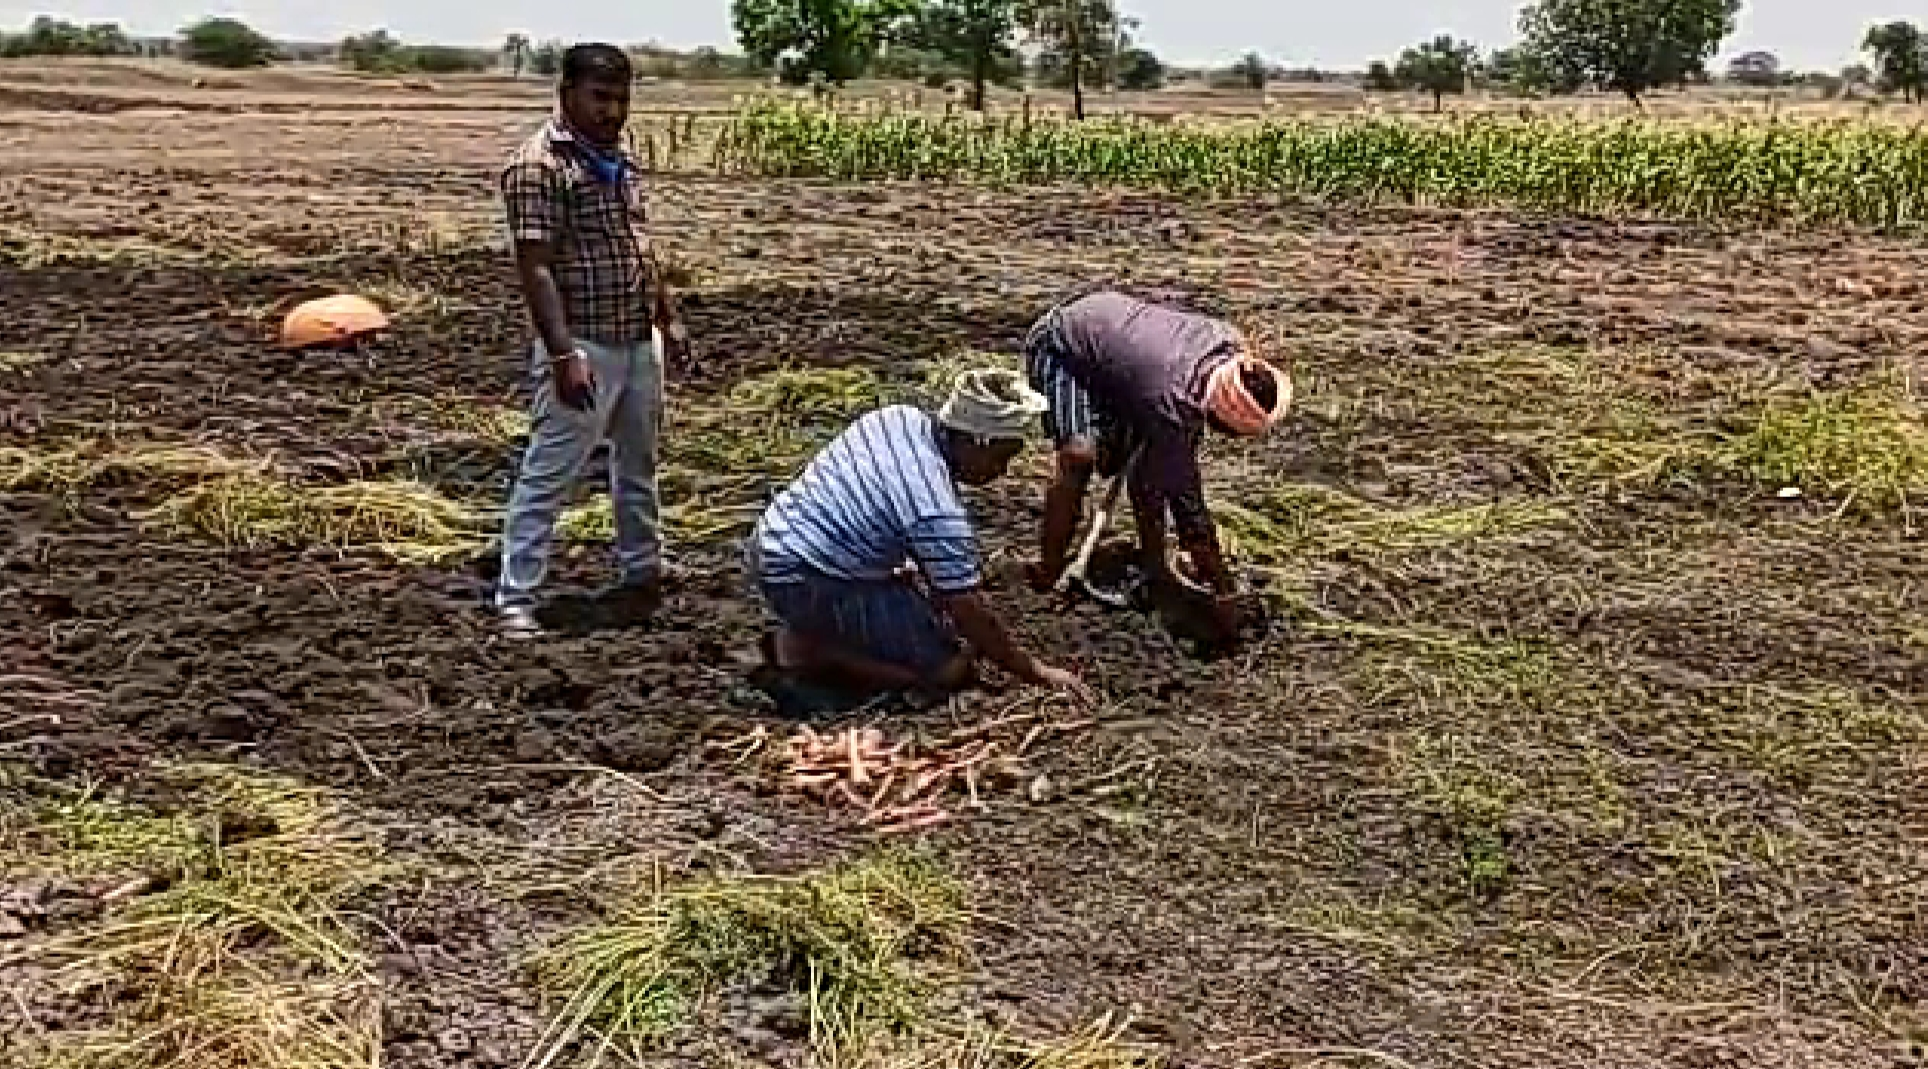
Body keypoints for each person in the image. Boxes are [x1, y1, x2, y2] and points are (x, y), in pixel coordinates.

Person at [495, 43, 692, 636]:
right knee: (550, 471)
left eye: (621, 99)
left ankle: (642, 566)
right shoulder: (539, 166)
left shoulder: (615, 160)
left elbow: (638, 248)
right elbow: (536, 267)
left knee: (638, 463)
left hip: (636, 339)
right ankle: (516, 597)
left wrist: (668, 316)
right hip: (584, 344)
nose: (612, 111)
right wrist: (562, 354)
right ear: (567, 93)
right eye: (600, 98)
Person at [748, 369, 1094, 706]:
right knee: (948, 671)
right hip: (805, 575)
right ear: (978, 441)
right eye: (1001, 457)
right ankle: (815, 653)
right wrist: (1034, 670)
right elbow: (966, 609)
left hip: (773, 538)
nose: (1000, 472)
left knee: (922, 607)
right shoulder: (936, 508)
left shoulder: (897, 418)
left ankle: (826, 630)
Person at [1023, 290, 1292, 642]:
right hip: (1063, 344)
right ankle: (1047, 568)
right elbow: (1189, 511)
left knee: (1152, 467)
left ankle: (1155, 569)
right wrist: (1225, 591)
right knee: (1079, 455)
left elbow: (1159, 475)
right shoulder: (1171, 400)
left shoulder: (1229, 349)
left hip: (1117, 345)